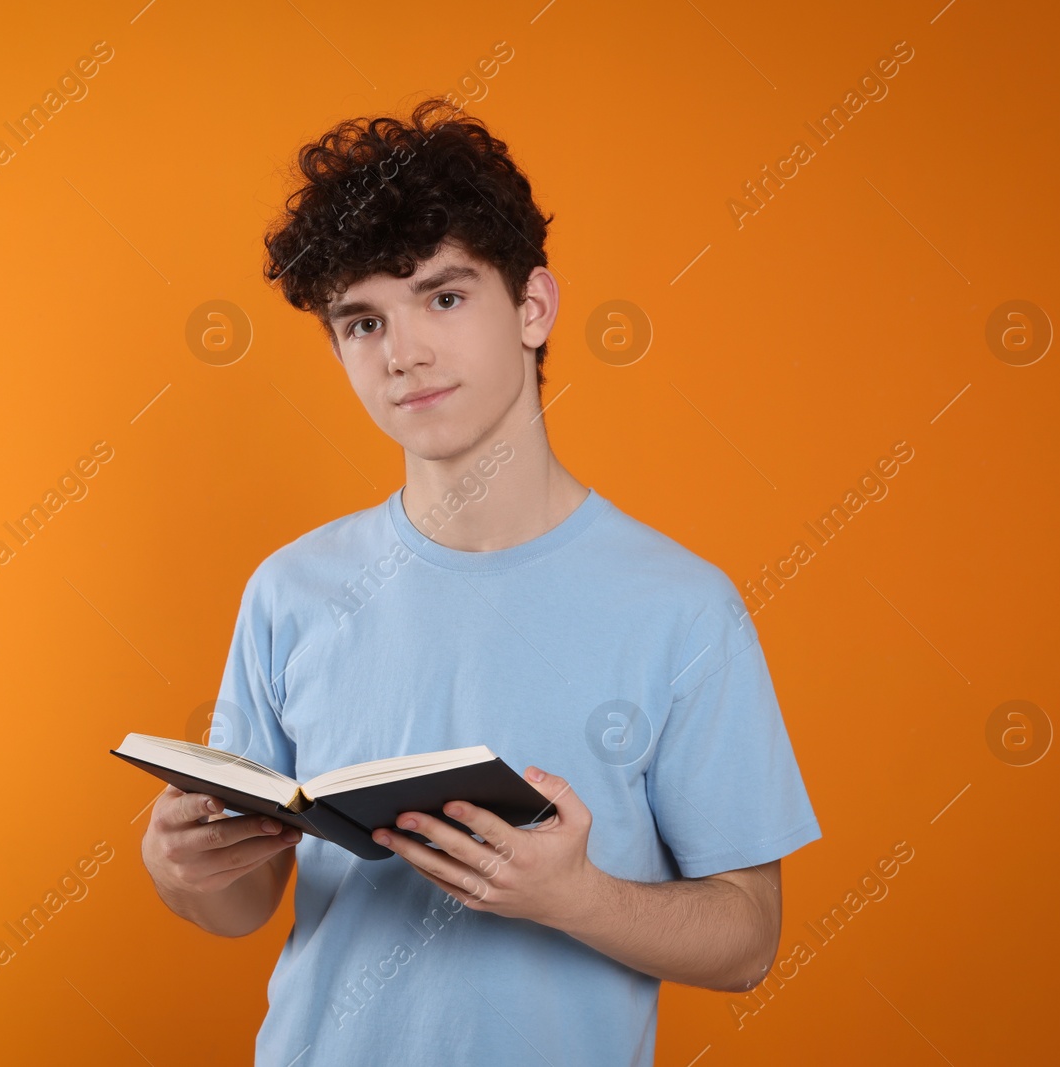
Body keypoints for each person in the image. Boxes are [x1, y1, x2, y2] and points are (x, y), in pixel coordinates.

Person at [140, 97, 821, 1066]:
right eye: (363, 319)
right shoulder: (290, 589)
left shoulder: (683, 606)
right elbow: (241, 903)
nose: (403, 351)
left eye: (443, 297)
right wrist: (180, 865)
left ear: (533, 306)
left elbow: (748, 939)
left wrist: (574, 895)